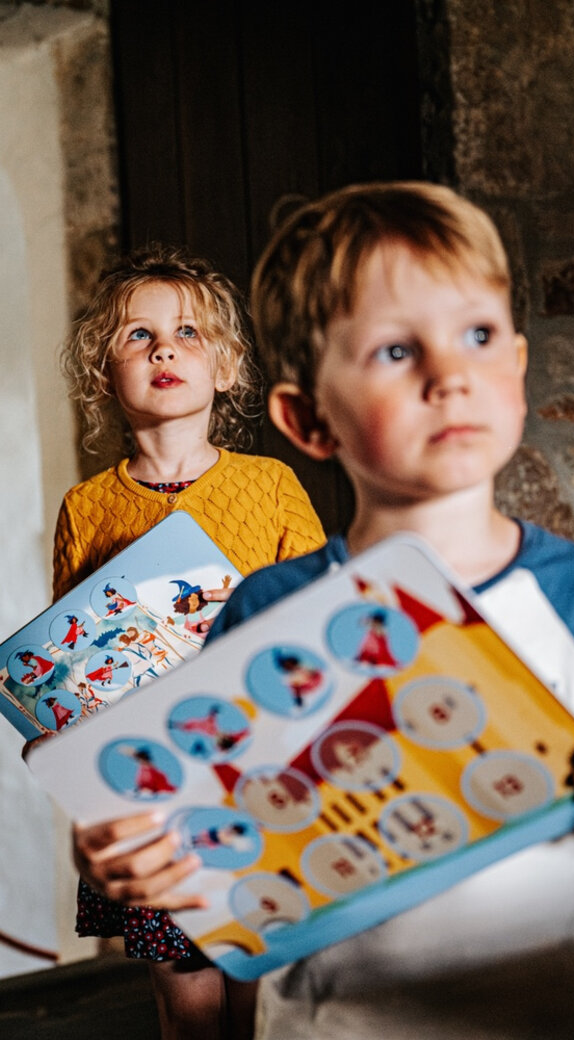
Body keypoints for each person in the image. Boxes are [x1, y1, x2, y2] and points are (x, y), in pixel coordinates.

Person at [71, 185, 574, 1039]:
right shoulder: (271, 607)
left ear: (515, 368)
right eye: (396, 351)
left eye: (477, 336)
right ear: (308, 418)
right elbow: (206, 838)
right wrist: (128, 858)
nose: (451, 374)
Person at [53, 244, 325, 1039]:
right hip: (150, 788)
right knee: (189, 1004)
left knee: (257, 997)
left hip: (257, 769)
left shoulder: (271, 487)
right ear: (106, 374)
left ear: (228, 369)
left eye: (187, 333)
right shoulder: (87, 508)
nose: (163, 348)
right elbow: (75, 662)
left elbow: (308, 625)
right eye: (136, 336)